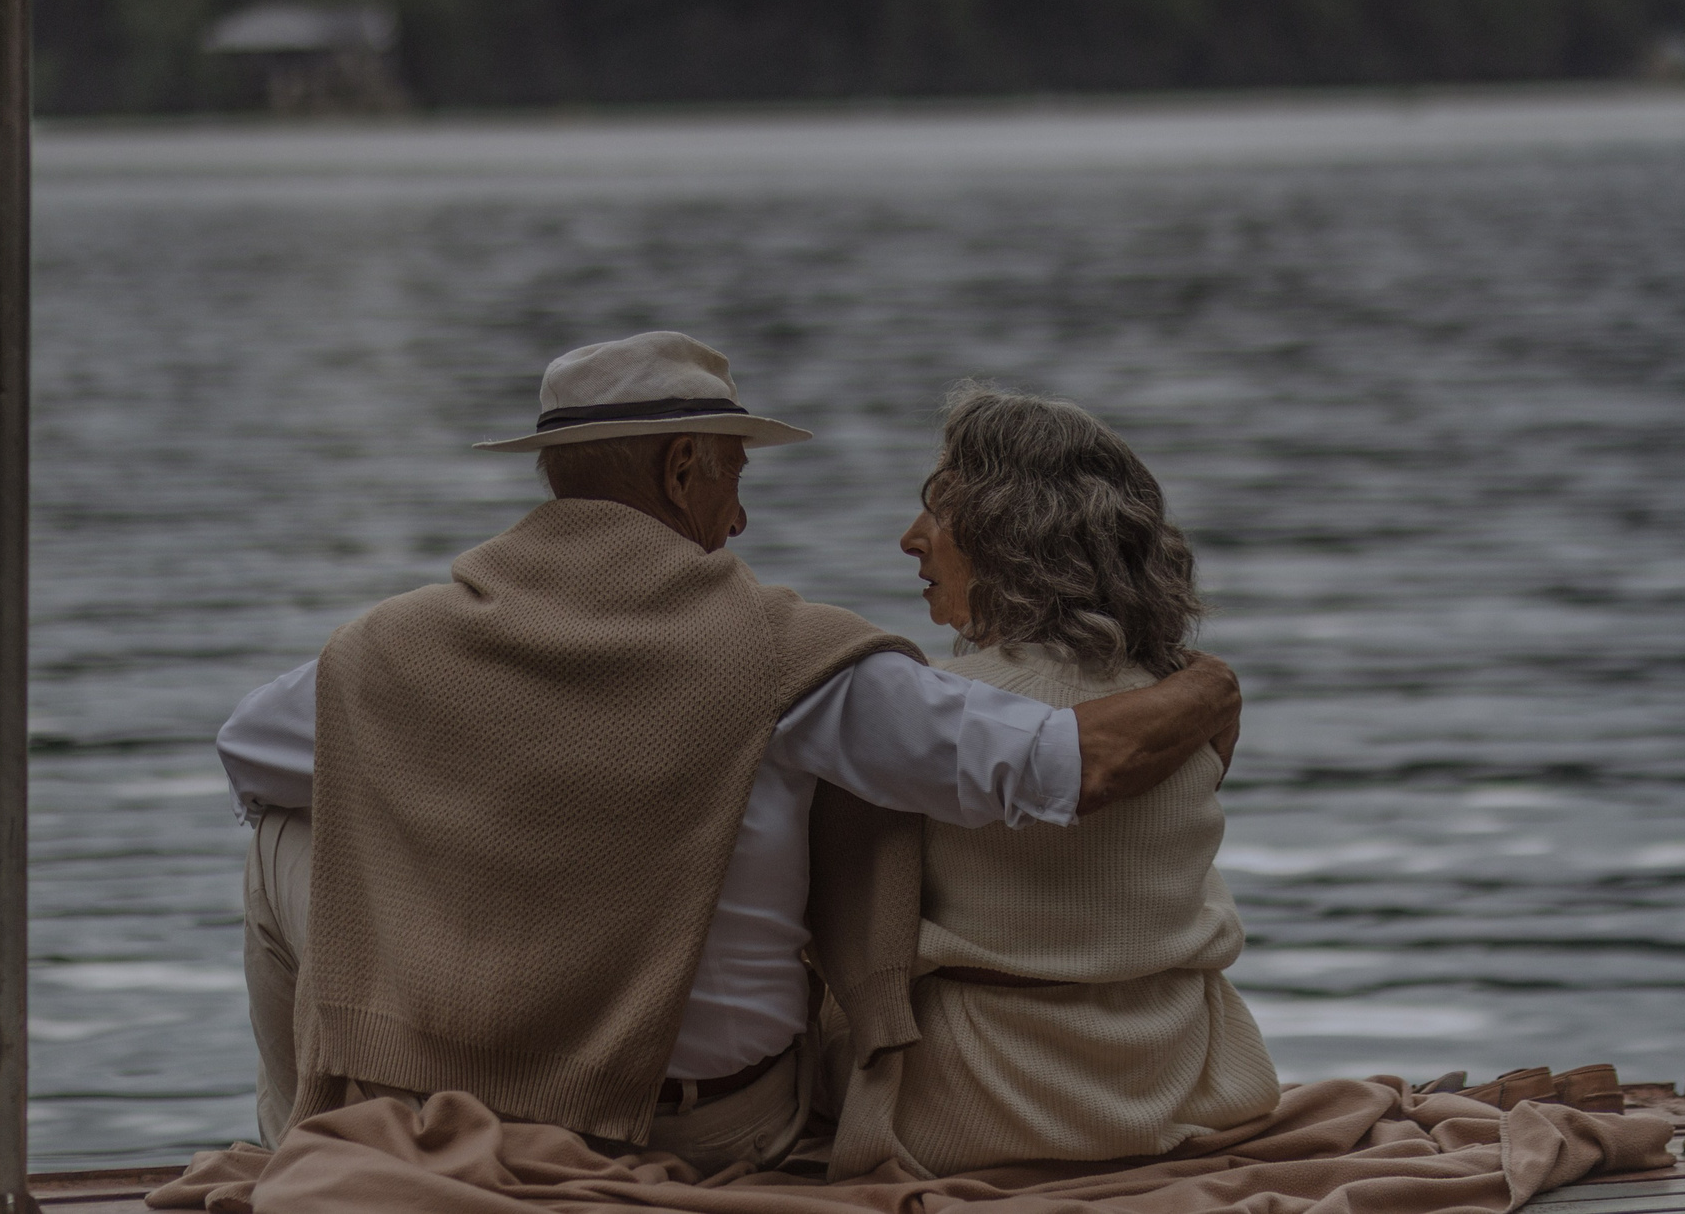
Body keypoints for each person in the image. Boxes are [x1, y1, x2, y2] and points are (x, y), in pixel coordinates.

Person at [219, 332, 1243, 1174]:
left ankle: (296, 1144)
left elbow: (247, 755)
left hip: (465, 1093)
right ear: (681, 467)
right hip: (714, 1130)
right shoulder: (790, 663)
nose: (741, 515)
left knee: (279, 837)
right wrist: (1206, 685)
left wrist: (497, 793)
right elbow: (1065, 766)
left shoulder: (395, 650)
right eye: (733, 475)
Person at [828, 384, 1280, 1178]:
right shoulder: (1188, 699)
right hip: (1183, 1085)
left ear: (1007, 533)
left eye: (937, 513)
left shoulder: (936, 709)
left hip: (975, 1105)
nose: (910, 539)